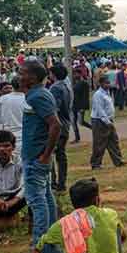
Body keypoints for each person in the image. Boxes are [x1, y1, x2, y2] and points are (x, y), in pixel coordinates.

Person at [14, 60, 61, 253]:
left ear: (32, 77)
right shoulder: (35, 93)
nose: (18, 75)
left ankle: (38, 248)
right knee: (47, 198)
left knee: (37, 202)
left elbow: (55, 125)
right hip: (35, 156)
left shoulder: (39, 95)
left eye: (22, 72)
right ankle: (52, 239)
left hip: (36, 158)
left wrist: (45, 155)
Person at [90, 75, 126, 170]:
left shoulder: (107, 92)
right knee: (99, 143)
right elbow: (99, 110)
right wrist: (107, 121)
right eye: (106, 83)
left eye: (108, 83)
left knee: (114, 141)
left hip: (108, 120)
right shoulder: (98, 95)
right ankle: (96, 164)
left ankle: (118, 160)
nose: (108, 84)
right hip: (100, 121)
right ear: (101, 84)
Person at [49, 64, 72, 192]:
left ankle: (54, 182)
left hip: (58, 125)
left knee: (51, 154)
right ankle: (61, 183)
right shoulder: (66, 86)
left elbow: (54, 107)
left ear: (54, 74)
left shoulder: (55, 88)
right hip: (65, 124)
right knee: (61, 154)